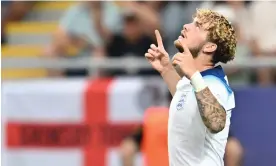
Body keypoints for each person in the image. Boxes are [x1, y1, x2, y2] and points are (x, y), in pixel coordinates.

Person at [144, 9, 236, 165]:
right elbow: (186, 100)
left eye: (198, 26)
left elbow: (216, 123)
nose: (186, 26)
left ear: (209, 47)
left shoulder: (215, 85)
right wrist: (166, 69)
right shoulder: (194, 82)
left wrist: (192, 73)